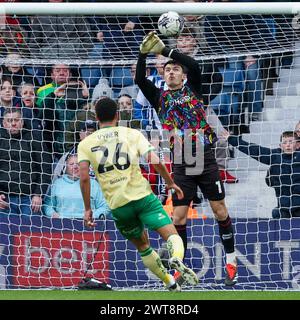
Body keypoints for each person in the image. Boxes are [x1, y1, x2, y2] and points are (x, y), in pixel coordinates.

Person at [135, 31, 238, 286]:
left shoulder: (194, 89)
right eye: (167, 70)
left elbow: (194, 64)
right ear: (163, 75)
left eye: (175, 69)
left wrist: (167, 51)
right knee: (179, 218)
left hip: (205, 159)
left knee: (219, 210)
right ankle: (180, 267)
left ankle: (231, 260)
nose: (171, 72)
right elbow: (138, 78)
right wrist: (142, 53)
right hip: (181, 162)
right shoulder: (159, 98)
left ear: (183, 75)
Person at [78, 97, 199, 291]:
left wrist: (87, 209)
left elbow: (84, 178)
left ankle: (170, 283)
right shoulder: (131, 134)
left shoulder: (85, 143)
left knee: (143, 246)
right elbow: (154, 161)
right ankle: (176, 258)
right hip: (143, 198)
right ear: (117, 115)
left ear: (96, 117)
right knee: (171, 235)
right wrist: (169, 182)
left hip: (118, 205)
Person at [225, 130, 300, 218]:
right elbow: (255, 150)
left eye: (291, 142)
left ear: (298, 145)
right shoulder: (275, 156)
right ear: (280, 146)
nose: (288, 145)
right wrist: (232, 140)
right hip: (283, 209)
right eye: (284, 142)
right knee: (276, 213)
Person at [0, 108, 52, 216]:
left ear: (22, 122)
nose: (13, 123)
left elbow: (45, 167)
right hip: (5, 198)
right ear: (4, 124)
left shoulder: (35, 138)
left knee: (31, 231)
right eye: (9, 121)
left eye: (16, 120)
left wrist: (38, 194)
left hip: (30, 199)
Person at [44, 154, 110, 219]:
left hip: (87, 225)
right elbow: (47, 205)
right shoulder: (58, 183)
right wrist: (53, 214)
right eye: (71, 164)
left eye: (78, 164)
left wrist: (92, 216)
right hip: (61, 224)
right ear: (66, 167)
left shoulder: (93, 184)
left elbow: (105, 207)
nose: (75, 167)